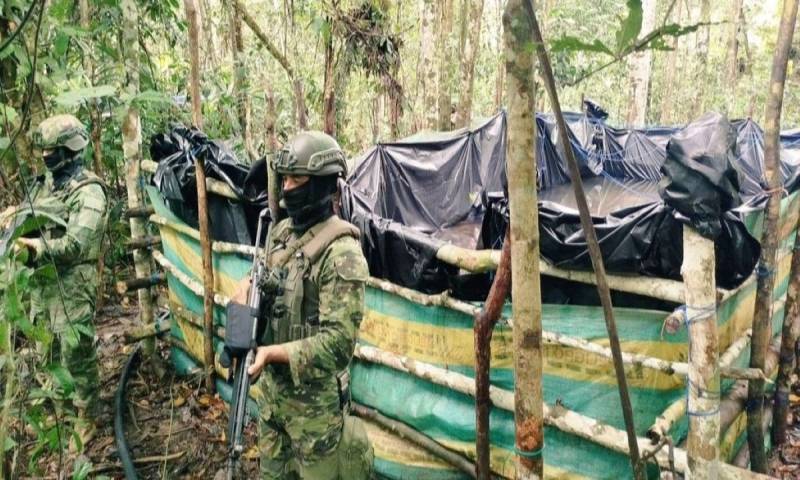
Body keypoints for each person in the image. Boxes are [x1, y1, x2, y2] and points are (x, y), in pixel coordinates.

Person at [243, 131, 373, 479]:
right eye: (284, 178)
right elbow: (262, 290)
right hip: (272, 400)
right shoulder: (281, 233)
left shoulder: (341, 252)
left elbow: (339, 345)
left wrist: (273, 353)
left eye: (296, 179)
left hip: (314, 412)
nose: (287, 188)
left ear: (319, 184)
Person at [9, 114, 107, 450]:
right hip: (42, 284)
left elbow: (76, 245)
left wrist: (34, 248)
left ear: (69, 150)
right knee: (44, 348)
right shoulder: (43, 184)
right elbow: (27, 217)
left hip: (73, 284)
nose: (46, 159)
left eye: (52, 152)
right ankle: (59, 408)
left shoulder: (90, 191)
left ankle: (86, 416)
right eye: (44, 152)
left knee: (75, 352)